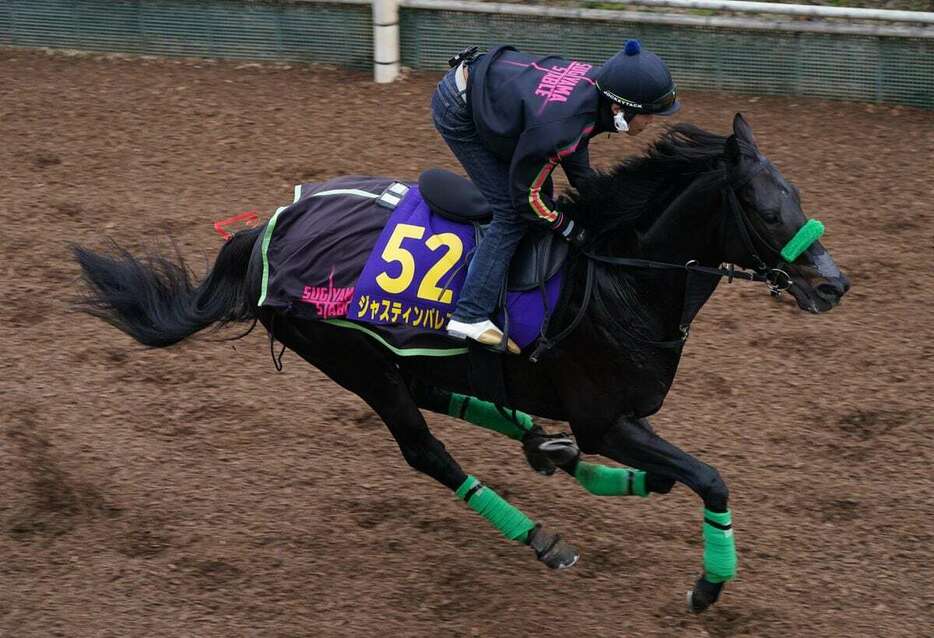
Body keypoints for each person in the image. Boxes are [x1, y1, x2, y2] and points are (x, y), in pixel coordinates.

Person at [431, 40, 681, 353]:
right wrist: (568, 227)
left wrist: (593, 197)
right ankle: (470, 313)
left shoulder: (595, 89)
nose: (651, 122)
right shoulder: (560, 127)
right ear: (618, 109)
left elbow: (576, 143)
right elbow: (527, 198)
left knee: (542, 200)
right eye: (649, 115)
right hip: (457, 107)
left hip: (497, 91)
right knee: (511, 212)